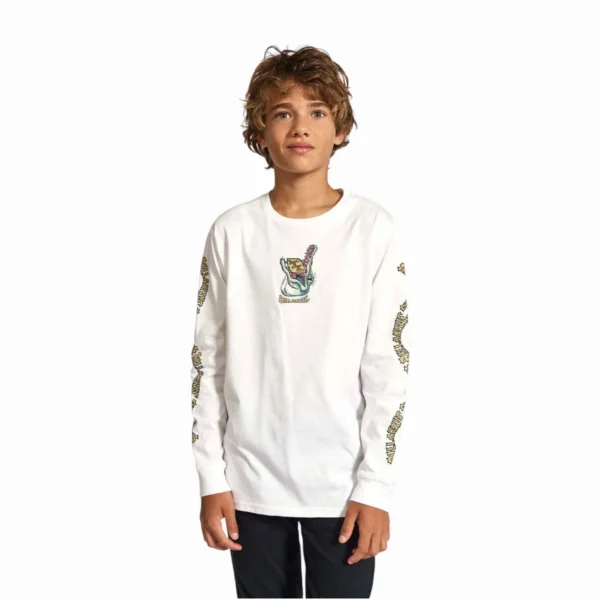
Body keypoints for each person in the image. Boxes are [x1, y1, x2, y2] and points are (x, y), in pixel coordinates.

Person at [190, 44, 411, 598]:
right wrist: (212, 478)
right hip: (250, 485)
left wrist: (376, 487)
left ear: (341, 129)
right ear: (259, 131)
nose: (300, 127)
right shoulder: (232, 232)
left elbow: (388, 367)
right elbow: (207, 363)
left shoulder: (371, 229)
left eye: (317, 111)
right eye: (282, 112)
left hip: (343, 488)